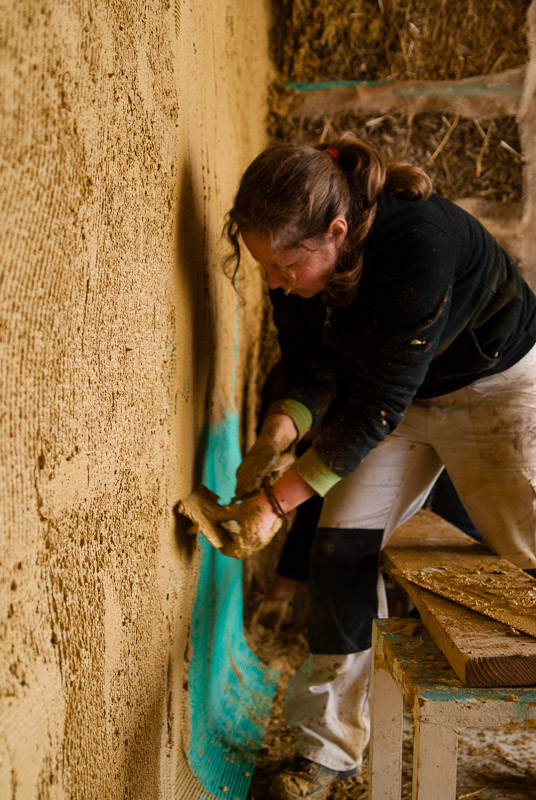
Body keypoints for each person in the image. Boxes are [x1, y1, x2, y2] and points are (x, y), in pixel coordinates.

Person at [213, 135, 536, 800]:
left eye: (283, 265)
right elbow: (316, 364)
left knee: (527, 539)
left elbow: (374, 409)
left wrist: (275, 506)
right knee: (341, 545)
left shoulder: (420, 242)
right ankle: (325, 752)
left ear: (337, 231)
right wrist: (277, 434)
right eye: (265, 267)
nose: (274, 281)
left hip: (497, 384)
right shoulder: (298, 259)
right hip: (401, 398)